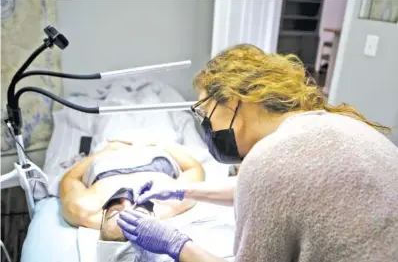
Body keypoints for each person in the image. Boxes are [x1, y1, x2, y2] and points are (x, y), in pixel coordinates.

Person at [117, 44, 398, 262]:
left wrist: (176, 245)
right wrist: (184, 190)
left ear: (233, 100)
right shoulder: (335, 124)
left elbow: (269, 181)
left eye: (205, 113)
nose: (206, 126)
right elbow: (282, 193)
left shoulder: (271, 160)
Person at [59, 140, 204, 241]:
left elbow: (70, 178)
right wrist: (159, 143)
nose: (127, 200)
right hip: (153, 157)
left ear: (102, 219)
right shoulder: (174, 201)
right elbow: (194, 168)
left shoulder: (82, 211)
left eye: (116, 211)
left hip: (106, 164)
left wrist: (107, 150)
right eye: (137, 209)